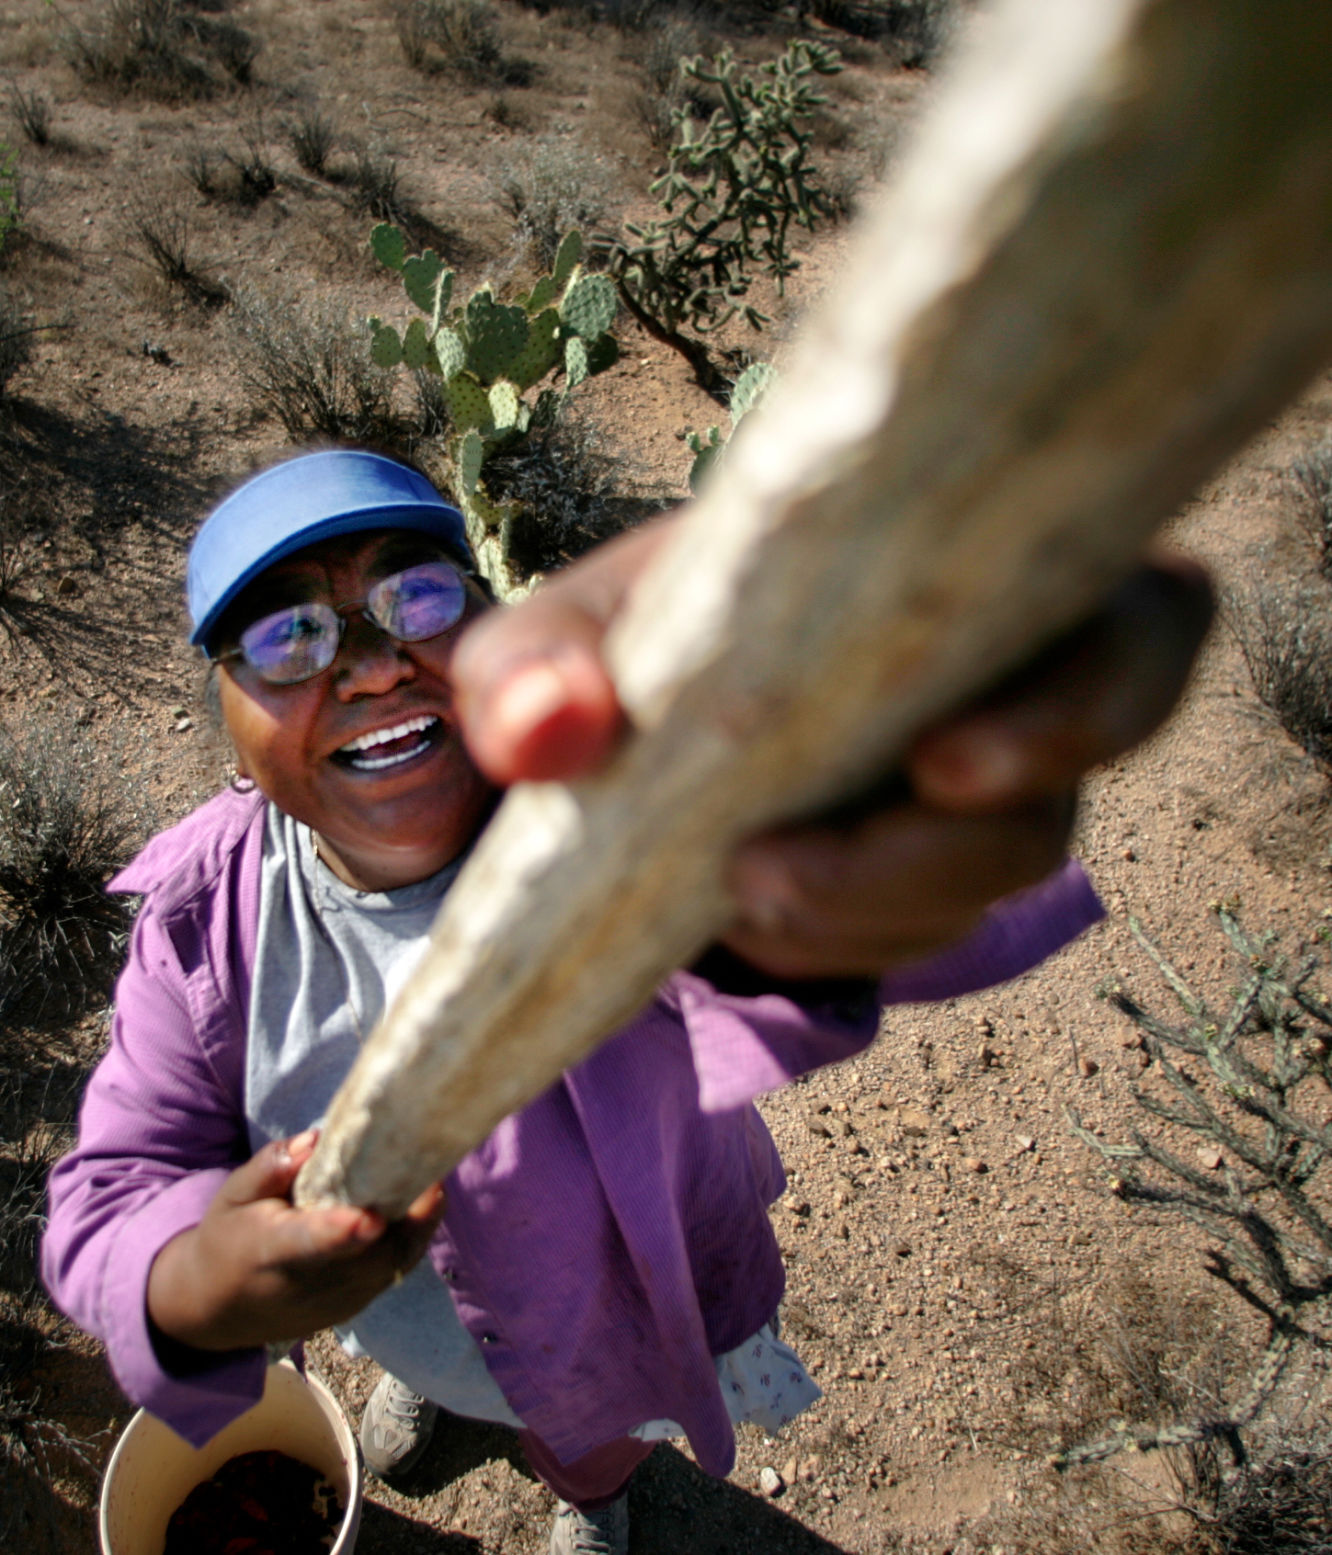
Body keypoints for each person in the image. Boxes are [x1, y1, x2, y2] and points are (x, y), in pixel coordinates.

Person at [42, 450, 1211, 1554]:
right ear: (231, 719)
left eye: (419, 598)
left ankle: (590, 1493)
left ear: (494, 627)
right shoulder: (202, 927)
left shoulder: (613, 829)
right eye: (288, 635)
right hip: (404, 1314)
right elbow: (106, 1201)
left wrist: (879, 804)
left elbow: (840, 924)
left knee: (589, 1426)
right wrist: (191, 1282)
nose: (373, 663)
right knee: (443, 1344)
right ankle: (438, 1383)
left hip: (611, 1306)